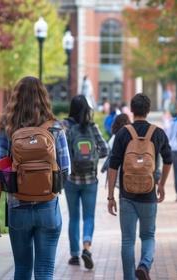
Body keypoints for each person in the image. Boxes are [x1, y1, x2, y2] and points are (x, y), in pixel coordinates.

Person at [0, 76, 70, 279]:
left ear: (15, 98)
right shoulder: (56, 128)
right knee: (45, 271)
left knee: (22, 270)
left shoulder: (7, 129)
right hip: (48, 208)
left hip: (18, 208)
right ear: (43, 97)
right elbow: (66, 170)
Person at [107, 93, 172, 280]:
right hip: (149, 193)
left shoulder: (123, 133)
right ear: (149, 111)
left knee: (127, 240)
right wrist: (162, 184)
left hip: (127, 195)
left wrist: (111, 196)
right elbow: (169, 159)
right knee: (148, 236)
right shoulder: (157, 133)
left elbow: (113, 165)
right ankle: (144, 264)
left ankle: (130, 277)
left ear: (132, 110)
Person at [62, 95, 109, 268]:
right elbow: (105, 150)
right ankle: (86, 247)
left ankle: (74, 255)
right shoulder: (93, 127)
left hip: (71, 180)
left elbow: (62, 153)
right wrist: (94, 157)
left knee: (74, 216)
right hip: (90, 180)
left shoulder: (65, 126)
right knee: (89, 216)